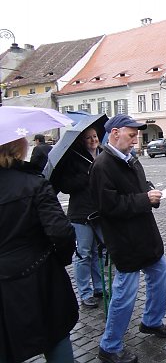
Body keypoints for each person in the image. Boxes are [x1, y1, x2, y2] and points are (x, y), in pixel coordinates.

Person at [89, 114, 166, 363]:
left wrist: (150, 192)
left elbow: (139, 187)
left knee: (159, 273)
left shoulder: (131, 159)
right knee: (124, 292)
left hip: (145, 235)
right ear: (115, 133)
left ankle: (151, 321)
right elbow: (109, 206)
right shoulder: (102, 165)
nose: (135, 140)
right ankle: (109, 345)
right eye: (131, 135)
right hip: (124, 240)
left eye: (136, 135)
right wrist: (144, 199)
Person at [0, 137, 78, 363]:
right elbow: (61, 232)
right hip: (40, 275)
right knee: (56, 335)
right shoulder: (34, 183)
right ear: (18, 146)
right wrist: (60, 260)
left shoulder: (33, 182)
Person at [56, 127, 104, 308]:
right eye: (88, 138)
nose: (93, 140)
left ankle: (99, 287)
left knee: (100, 252)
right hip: (81, 213)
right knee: (84, 254)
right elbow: (65, 186)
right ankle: (85, 293)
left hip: (100, 211)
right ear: (82, 141)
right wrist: (87, 175)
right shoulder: (74, 158)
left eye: (95, 136)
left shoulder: (103, 154)